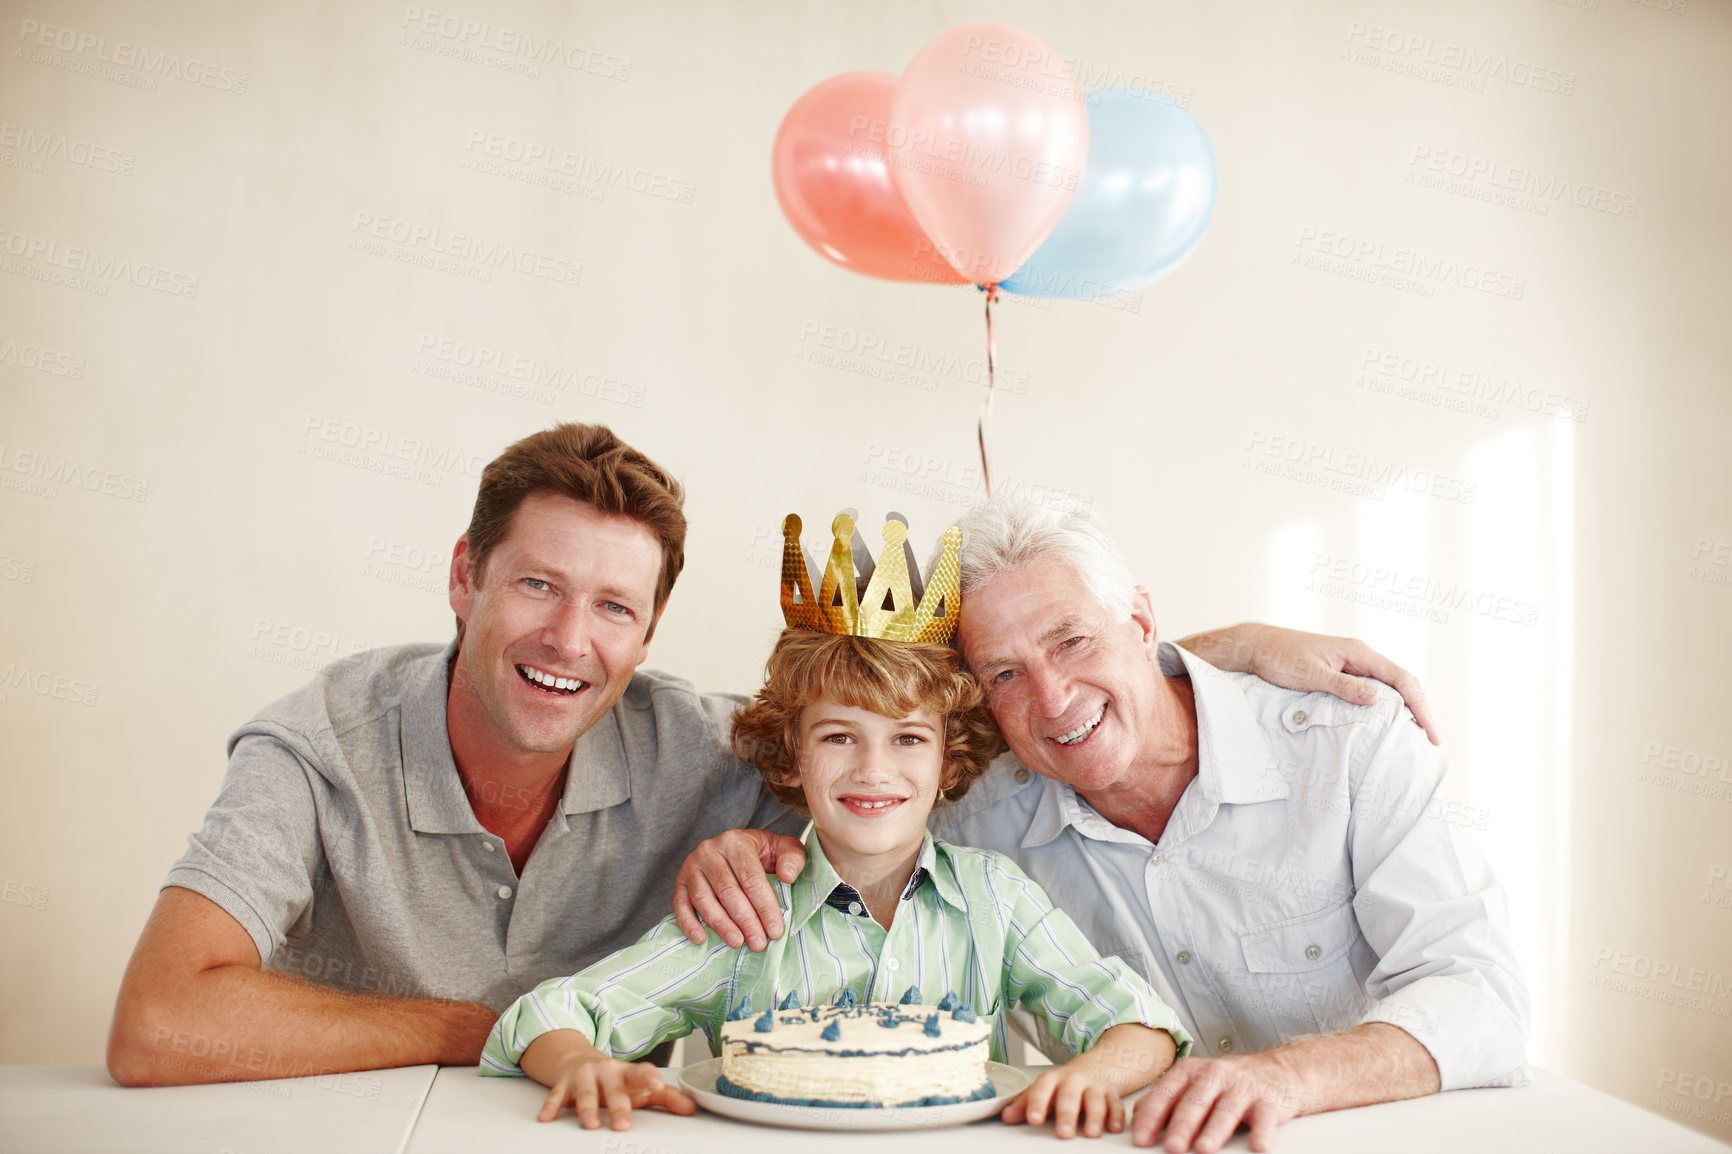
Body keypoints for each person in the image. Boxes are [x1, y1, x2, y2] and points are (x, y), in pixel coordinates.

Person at [104, 421, 1433, 1086]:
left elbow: (948, 713)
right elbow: (158, 1022)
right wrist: (519, 1033)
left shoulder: (708, 741)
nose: (573, 638)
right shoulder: (318, 741)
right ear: (465, 576)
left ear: (653, 628)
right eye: (535, 586)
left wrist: (1211, 647)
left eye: (616, 605)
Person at [676, 499, 1528, 1154]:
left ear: (1143, 623)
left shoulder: (1350, 743)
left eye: (1074, 640)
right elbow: (850, 767)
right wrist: (752, 843)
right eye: (1005, 673)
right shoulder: (978, 814)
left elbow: (1482, 998)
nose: (1052, 699)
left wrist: (1285, 1076)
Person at [481, 558, 1193, 1139]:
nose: (874, 769)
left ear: (950, 762)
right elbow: (550, 1014)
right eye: (838, 737)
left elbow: (1144, 1023)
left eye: (908, 738)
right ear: (791, 760)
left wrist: (1095, 1073)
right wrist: (579, 1063)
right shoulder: (749, 916)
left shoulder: (995, 900)